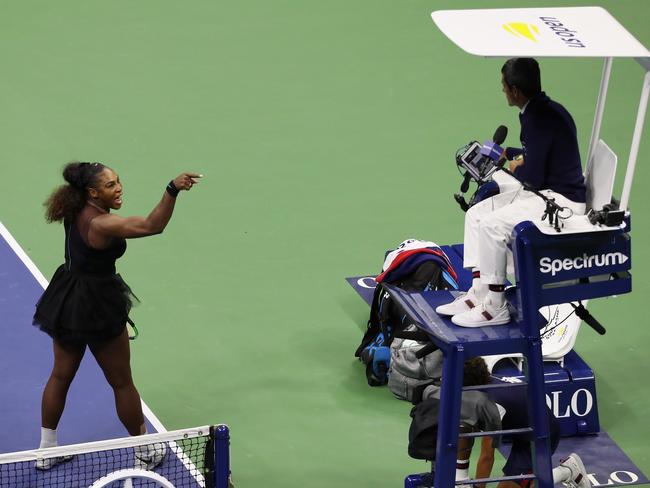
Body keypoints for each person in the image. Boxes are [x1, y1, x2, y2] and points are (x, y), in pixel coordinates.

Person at [32, 161, 201, 469]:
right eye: (110, 185)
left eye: (118, 181)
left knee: (60, 375)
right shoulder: (101, 224)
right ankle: (145, 451)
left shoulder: (75, 206)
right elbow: (153, 225)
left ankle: (46, 450)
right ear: (93, 192)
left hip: (68, 296)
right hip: (97, 305)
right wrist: (172, 189)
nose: (119, 187)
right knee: (122, 382)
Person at [436, 58, 587, 327]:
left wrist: (516, 168)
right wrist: (513, 156)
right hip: (548, 192)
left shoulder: (538, 119)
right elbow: (539, 155)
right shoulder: (542, 110)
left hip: (560, 201)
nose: (503, 91)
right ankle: (479, 293)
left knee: (492, 225)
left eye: (504, 86)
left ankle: (495, 306)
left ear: (515, 90)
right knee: (476, 214)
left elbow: (534, 178)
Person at [422, 358, 590, 488]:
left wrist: (477, 487)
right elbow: (465, 432)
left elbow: (487, 457)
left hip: (540, 436)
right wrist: (462, 478)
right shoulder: (482, 385)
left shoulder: (494, 405)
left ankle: (568, 470)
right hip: (521, 427)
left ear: (468, 387)